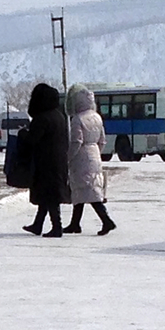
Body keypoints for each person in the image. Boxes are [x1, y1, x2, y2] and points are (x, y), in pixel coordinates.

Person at [62, 85, 116, 235]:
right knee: (86, 189)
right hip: (95, 155)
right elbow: (102, 140)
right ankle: (75, 224)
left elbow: (76, 141)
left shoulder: (77, 119)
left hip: (82, 156)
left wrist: (69, 157)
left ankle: (106, 220)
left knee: (85, 189)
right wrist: (96, 153)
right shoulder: (97, 117)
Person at [18, 82, 67, 237]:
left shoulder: (42, 118)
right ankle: (38, 224)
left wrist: (22, 134)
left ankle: (56, 227)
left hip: (45, 162)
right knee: (48, 194)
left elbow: (32, 140)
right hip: (58, 160)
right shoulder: (59, 116)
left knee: (49, 195)